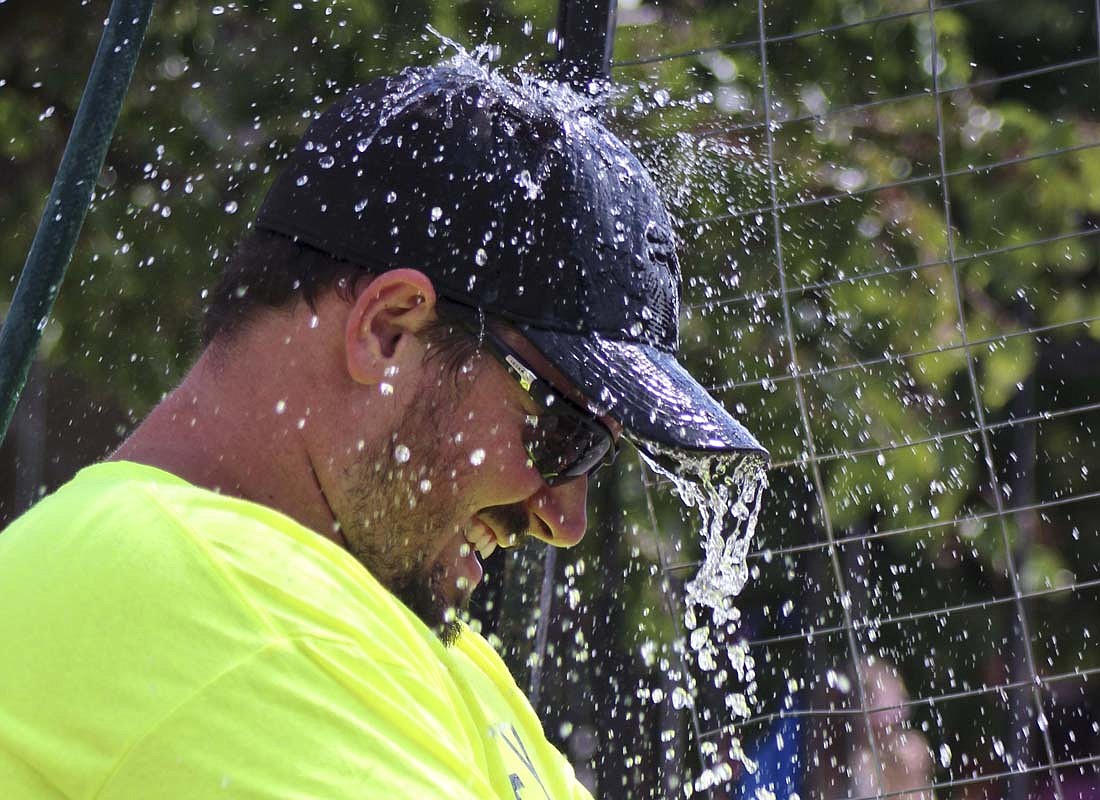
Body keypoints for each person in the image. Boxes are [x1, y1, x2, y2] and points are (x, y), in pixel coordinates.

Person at [0, 63, 766, 797]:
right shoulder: (220, 602)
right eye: (565, 437)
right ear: (390, 329)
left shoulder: (422, 645)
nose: (565, 520)